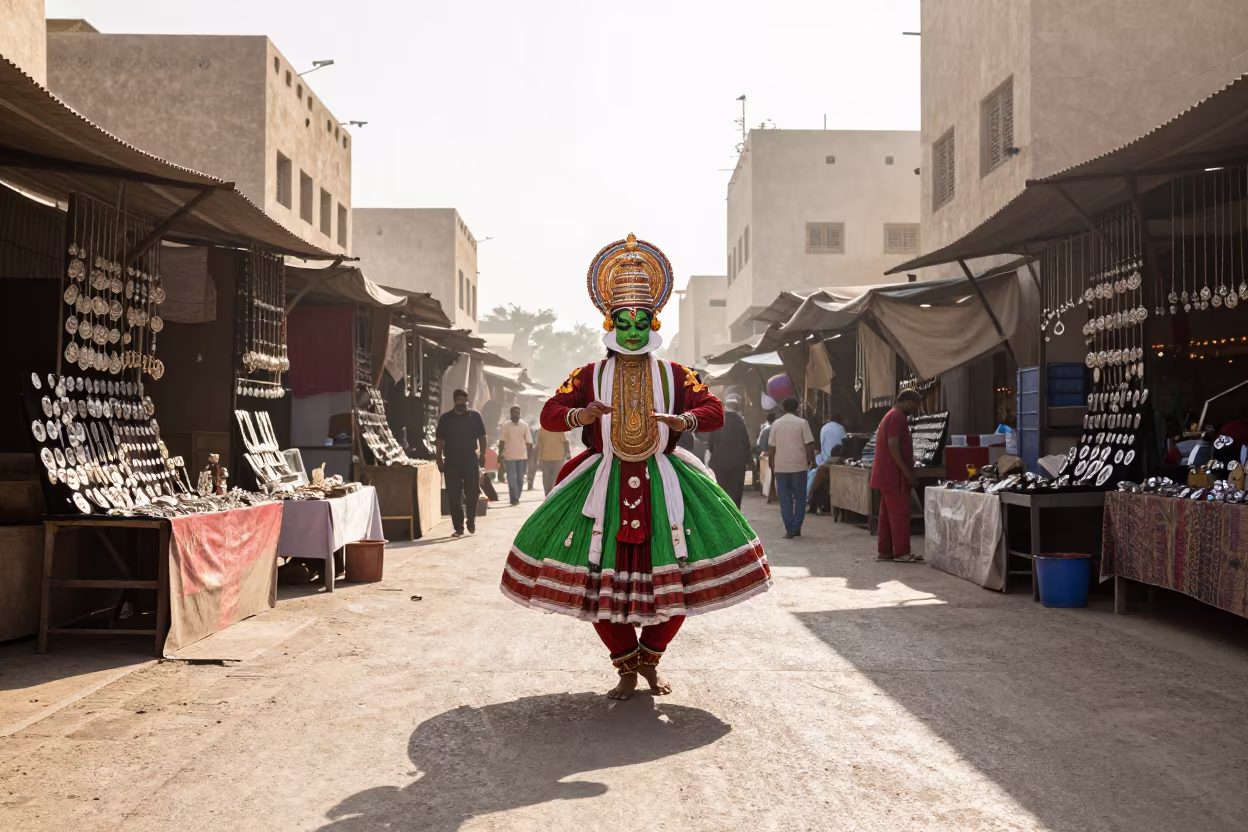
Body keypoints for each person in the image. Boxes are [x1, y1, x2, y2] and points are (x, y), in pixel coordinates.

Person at [500, 234, 771, 700]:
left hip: (667, 482)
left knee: (680, 582)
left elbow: (715, 413)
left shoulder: (677, 374)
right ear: (609, 322)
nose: (631, 330)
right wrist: (579, 415)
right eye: (622, 321)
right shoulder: (588, 375)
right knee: (596, 585)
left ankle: (650, 659)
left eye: (640, 320)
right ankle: (625, 667)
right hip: (601, 484)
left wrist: (682, 419)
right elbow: (548, 412)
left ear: (653, 322)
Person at [871, 389, 922, 563]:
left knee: (886, 515)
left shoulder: (889, 416)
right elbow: (893, 445)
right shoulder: (898, 417)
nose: (917, 408)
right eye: (916, 404)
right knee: (900, 513)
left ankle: (885, 551)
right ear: (907, 401)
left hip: (886, 473)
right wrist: (907, 473)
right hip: (894, 474)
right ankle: (901, 552)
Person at [436, 389, 488, 537]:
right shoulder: (445, 418)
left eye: (464, 401)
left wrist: (483, 454)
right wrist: (438, 458)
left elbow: (482, 436)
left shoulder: (475, 416)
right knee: (453, 494)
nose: (462, 404)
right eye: (459, 401)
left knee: (473, 492)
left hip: (470, 458)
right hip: (451, 460)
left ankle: (470, 519)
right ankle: (458, 526)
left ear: (467, 401)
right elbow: (439, 441)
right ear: (454, 401)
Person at [768, 396, 815, 539]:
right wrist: (811, 460)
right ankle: (797, 527)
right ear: (797, 408)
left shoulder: (776, 424)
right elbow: (809, 445)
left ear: (783, 408)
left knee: (785, 498)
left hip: (781, 467)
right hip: (799, 466)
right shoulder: (802, 423)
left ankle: (789, 528)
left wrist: (772, 465)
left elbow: (771, 448)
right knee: (800, 497)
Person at [707, 396, 753, 507]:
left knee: (722, 489)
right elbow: (746, 442)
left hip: (720, 461)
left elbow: (711, 443)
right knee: (736, 489)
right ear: (736, 406)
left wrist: (713, 456)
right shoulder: (739, 420)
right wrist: (749, 459)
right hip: (737, 460)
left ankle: (725, 512)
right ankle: (736, 513)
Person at [807, 413, 847, 513]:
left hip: (826, 459)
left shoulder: (824, 428)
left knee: (814, 471)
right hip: (836, 458)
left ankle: (810, 498)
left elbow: (823, 445)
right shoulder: (842, 429)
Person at [498, 405, 533, 506]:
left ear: (520, 414)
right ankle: (513, 498)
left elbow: (529, 442)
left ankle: (517, 496)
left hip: (522, 457)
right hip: (509, 457)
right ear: (511, 414)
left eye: (518, 413)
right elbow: (501, 441)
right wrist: (500, 455)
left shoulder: (524, 426)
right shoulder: (505, 426)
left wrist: (530, 456)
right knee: (511, 478)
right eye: (514, 413)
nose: (516, 414)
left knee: (520, 479)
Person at [535, 425, 570, 496]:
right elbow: (539, 444)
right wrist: (538, 458)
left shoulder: (559, 428)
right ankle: (548, 495)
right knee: (546, 479)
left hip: (558, 459)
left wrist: (567, 453)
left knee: (555, 479)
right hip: (546, 459)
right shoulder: (542, 429)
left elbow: (565, 442)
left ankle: (553, 495)